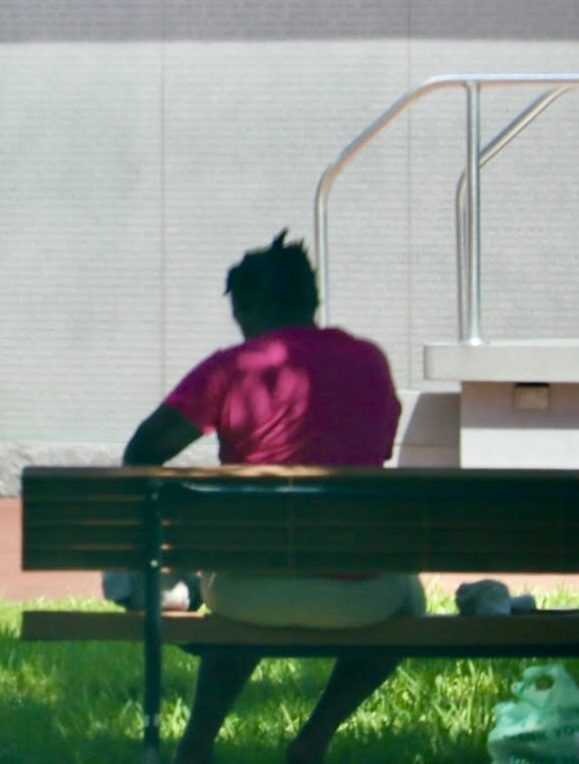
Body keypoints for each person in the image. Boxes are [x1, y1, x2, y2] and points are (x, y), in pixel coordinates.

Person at [119, 230, 421, 764]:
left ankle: (197, 745)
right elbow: (374, 447)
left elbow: (143, 449)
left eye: (238, 310)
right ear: (310, 299)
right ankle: (315, 736)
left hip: (246, 589)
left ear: (252, 305)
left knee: (246, 572)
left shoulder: (233, 368)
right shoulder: (368, 362)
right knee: (408, 600)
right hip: (361, 597)